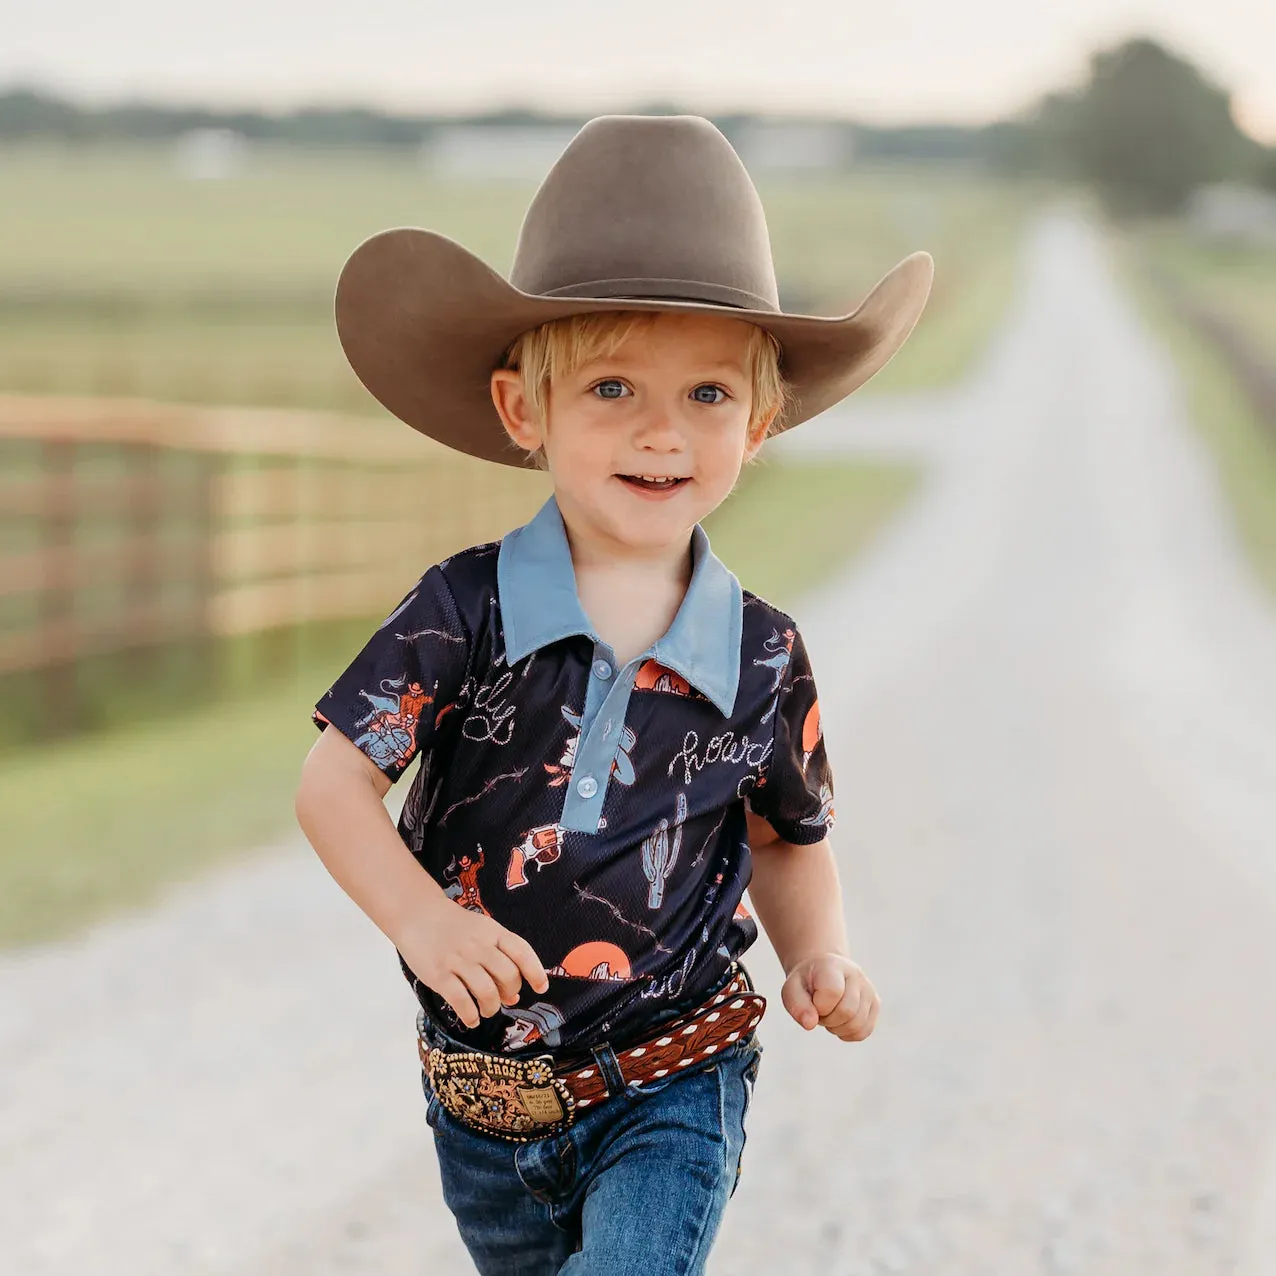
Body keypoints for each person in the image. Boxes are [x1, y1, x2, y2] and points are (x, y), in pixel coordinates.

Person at [295, 113, 933, 1275]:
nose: (659, 427)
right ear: (523, 411)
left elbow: (788, 836)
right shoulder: (463, 609)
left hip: (672, 1081)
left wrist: (818, 953)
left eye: (705, 395)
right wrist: (421, 917)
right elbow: (334, 782)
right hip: (484, 1110)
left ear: (761, 420)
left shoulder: (760, 655)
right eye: (610, 386)